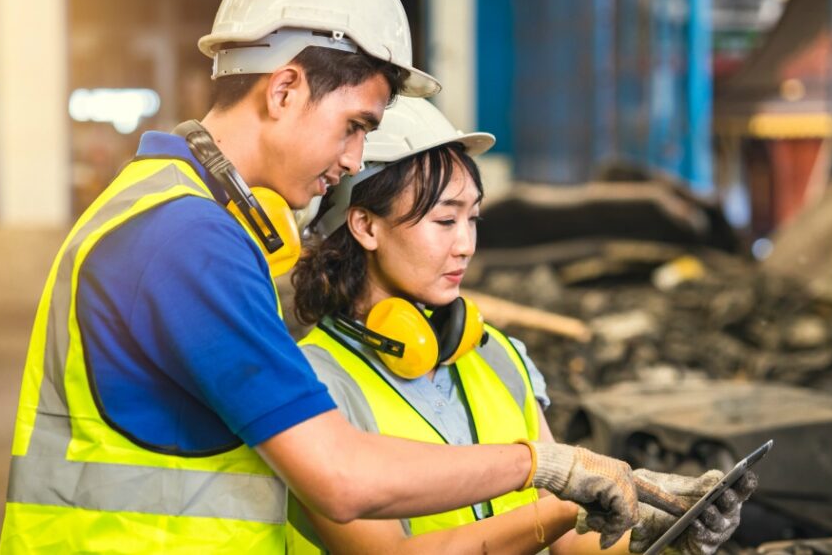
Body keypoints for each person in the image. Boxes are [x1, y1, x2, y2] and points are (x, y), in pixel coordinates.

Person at [0, 0, 640, 553]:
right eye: (356, 125)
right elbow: (339, 477)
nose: (357, 158)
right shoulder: (186, 239)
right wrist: (548, 468)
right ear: (284, 90)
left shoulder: (180, 215)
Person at [289, 96, 758, 554]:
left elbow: (573, 542)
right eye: (446, 220)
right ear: (366, 226)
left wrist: (661, 534)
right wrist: (559, 512)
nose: (466, 245)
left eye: (472, 219)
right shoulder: (308, 384)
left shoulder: (495, 355)